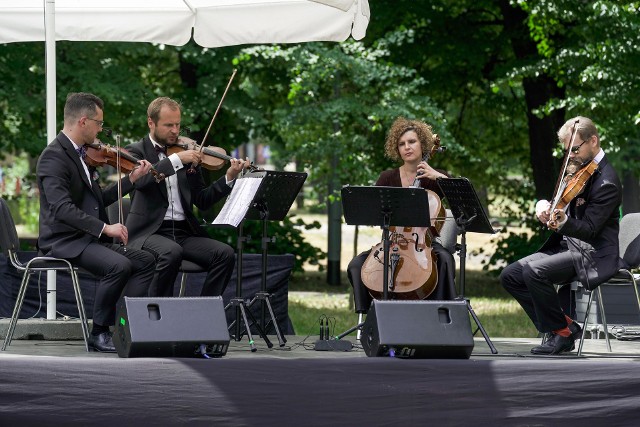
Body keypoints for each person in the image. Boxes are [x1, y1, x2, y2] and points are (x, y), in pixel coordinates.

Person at [36, 92, 156, 353]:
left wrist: (131, 180)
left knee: (145, 261)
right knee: (119, 265)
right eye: (99, 123)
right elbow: (61, 209)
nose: (101, 129)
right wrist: (105, 227)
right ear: (83, 121)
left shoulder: (82, 155)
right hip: (63, 240)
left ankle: (125, 325)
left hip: (84, 238)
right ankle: (99, 332)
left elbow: (98, 199)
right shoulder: (53, 156)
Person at [500, 116, 622, 355]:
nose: (571, 155)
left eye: (574, 149)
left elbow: (590, 229)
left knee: (535, 272)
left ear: (593, 141)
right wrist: (542, 206)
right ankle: (565, 327)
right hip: (569, 247)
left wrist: (564, 222)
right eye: (567, 150)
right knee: (510, 275)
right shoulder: (578, 170)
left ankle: (561, 334)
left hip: (593, 252)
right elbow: (559, 202)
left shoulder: (607, 181)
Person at [125, 97, 248, 298]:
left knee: (224, 254)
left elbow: (202, 199)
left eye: (178, 125)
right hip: (148, 232)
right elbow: (141, 181)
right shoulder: (135, 150)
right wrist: (175, 160)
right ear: (151, 123)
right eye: (168, 125)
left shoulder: (187, 152)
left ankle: (203, 313)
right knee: (171, 252)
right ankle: (157, 314)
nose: (175, 131)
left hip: (183, 232)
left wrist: (229, 177)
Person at [347, 117, 458, 314]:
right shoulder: (387, 178)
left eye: (412, 142)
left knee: (446, 260)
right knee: (356, 265)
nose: (407, 147)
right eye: (401, 144)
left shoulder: (435, 176)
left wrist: (437, 176)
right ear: (396, 149)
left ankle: (440, 316)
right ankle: (370, 318)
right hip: (391, 242)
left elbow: (460, 199)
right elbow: (374, 213)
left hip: (424, 243)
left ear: (422, 144)